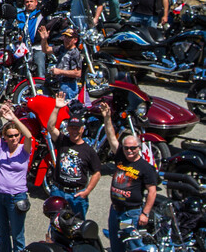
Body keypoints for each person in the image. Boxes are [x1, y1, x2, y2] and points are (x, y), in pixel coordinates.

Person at [98, 101, 158, 252]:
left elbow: (152, 191)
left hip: (131, 213)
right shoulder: (120, 156)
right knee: (116, 243)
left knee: (133, 246)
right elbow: (111, 136)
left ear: (139, 148)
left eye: (133, 148)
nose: (130, 151)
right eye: (127, 148)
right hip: (115, 209)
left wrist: (145, 213)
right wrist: (107, 118)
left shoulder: (146, 167)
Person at [46, 93, 102, 218]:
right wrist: (57, 108)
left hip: (77, 194)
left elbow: (97, 173)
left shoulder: (88, 150)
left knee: (77, 227)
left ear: (82, 129)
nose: (74, 131)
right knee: (56, 226)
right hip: (59, 191)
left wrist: (87, 191)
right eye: (72, 128)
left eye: (77, 128)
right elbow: (50, 127)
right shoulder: (62, 140)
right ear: (68, 128)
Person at [0, 102, 33, 252]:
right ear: (5, 137)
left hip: (17, 197)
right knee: (3, 234)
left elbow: (29, 135)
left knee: (17, 235)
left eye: (16, 135)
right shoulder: (2, 147)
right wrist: (0, 114)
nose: (13, 138)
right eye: (10, 136)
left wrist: (13, 117)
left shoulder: (23, 150)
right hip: (0, 195)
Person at [38, 25, 83, 99]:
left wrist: (59, 71)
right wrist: (44, 39)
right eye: (65, 37)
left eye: (69, 38)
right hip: (59, 84)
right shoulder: (62, 48)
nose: (66, 40)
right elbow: (46, 50)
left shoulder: (75, 53)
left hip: (68, 86)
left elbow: (78, 73)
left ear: (75, 40)